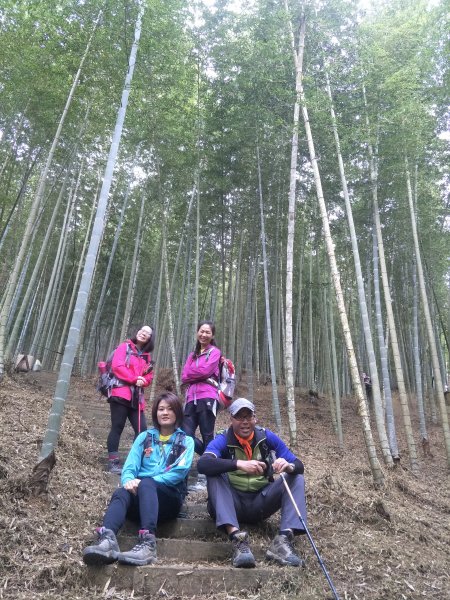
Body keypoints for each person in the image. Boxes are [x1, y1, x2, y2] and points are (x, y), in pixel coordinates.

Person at [83, 392, 194, 567]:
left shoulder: (186, 441)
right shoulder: (144, 438)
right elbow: (130, 466)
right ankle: (108, 541)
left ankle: (148, 544)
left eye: (170, 409)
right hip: (141, 498)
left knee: (148, 483)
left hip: (168, 500)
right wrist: (128, 481)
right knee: (121, 492)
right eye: (161, 409)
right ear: (155, 413)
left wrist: (144, 483)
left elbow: (179, 472)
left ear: (178, 413)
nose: (164, 413)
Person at [197, 398, 307, 569]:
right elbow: (203, 464)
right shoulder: (223, 439)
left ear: (255, 419)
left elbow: (299, 465)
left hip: (260, 503)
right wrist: (239, 464)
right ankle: (237, 539)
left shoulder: (266, 437)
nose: (245, 422)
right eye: (239, 417)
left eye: (248, 417)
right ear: (231, 419)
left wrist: (288, 466)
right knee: (214, 474)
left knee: (296, 478)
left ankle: (283, 541)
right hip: (232, 503)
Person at [106, 325, 155, 474]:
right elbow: (117, 366)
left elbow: (149, 375)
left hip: (136, 397)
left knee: (142, 430)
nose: (143, 333)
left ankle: (134, 461)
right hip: (120, 392)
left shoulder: (147, 356)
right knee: (118, 426)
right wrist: (135, 379)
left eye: (147, 333)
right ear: (137, 332)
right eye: (142, 330)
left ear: (150, 338)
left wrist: (143, 381)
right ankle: (113, 462)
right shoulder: (124, 347)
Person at [181, 320, 221, 452]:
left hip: (208, 396)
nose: (204, 334)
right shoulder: (192, 355)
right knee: (185, 435)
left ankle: (210, 463)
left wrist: (194, 373)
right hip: (191, 398)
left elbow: (205, 371)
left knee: (207, 434)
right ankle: (210, 455)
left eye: (207, 332)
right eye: (201, 331)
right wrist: (199, 374)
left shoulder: (215, 352)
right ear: (197, 332)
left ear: (212, 336)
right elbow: (184, 376)